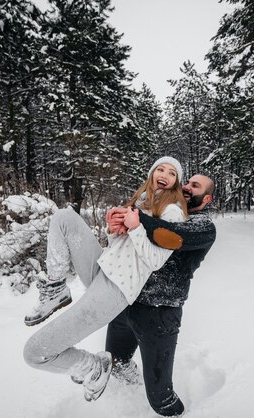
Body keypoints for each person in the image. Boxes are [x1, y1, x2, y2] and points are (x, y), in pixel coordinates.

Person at [23, 157, 187, 402]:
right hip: (103, 268)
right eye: (160, 169)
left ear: (176, 182)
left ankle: (93, 368)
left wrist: (135, 227)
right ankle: (55, 288)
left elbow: (155, 261)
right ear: (152, 173)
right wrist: (113, 230)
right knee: (64, 218)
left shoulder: (172, 211)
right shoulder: (143, 201)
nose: (164, 174)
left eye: (171, 173)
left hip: (117, 289)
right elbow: (122, 249)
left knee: (35, 353)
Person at [104, 174, 216, 417]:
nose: (186, 187)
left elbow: (170, 234)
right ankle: (132, 390)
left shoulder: (202, 226)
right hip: (127, 301)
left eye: (195, 186)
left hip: (159, 313)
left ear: (206, 198)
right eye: (187, 182)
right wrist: (116, 227)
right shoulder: (163, 212)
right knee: (116, 363)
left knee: (160, 399)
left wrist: (134, 215)